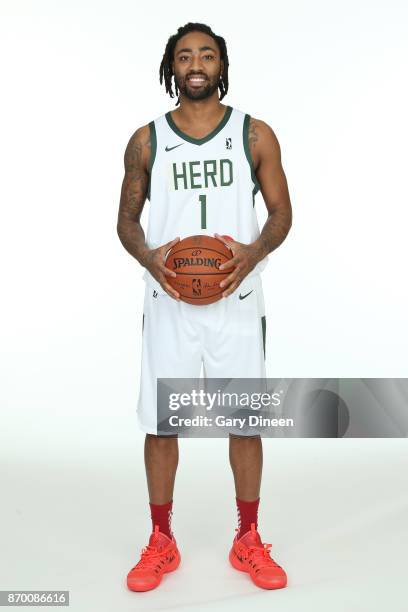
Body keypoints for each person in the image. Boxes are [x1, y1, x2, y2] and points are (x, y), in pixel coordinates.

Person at [117, 21, 292, 592]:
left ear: (222, 65)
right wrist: (149, 258)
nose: (197, 63)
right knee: (162, 423)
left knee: (244, 420)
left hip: (236, 300)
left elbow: (282, 214)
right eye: (185, 55)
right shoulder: (146, 140)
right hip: (168, 300)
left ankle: (248, 539)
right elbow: (126, 220)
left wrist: (251, 253)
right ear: (171, 67)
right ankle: (161, 540)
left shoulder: (254, 134)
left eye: (207, 55)